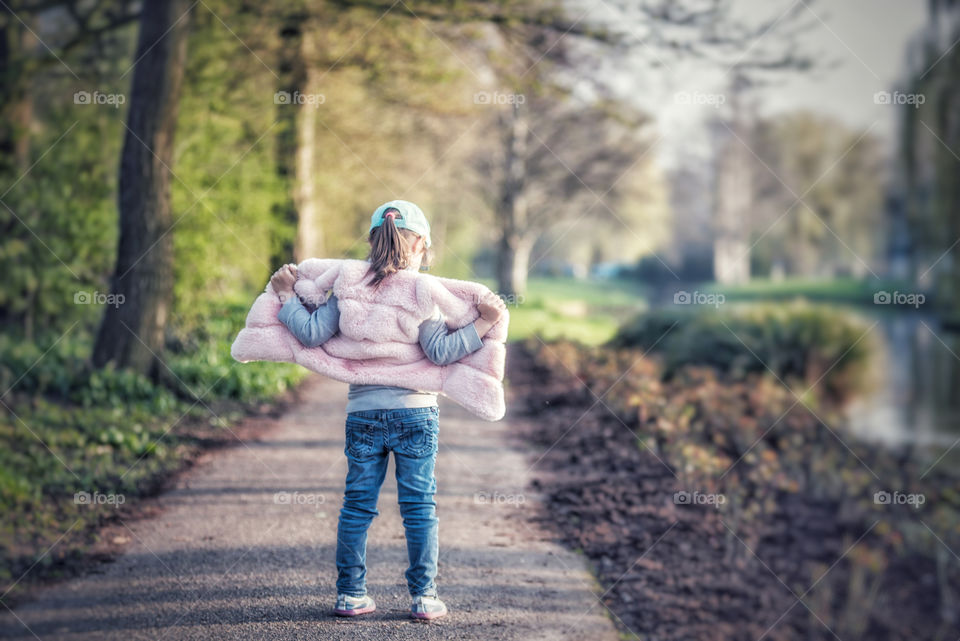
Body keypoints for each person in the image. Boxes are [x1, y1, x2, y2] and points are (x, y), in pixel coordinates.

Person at [268, 200, 506, 621]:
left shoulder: (348, 284)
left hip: (363, 414)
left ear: (371, 241)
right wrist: (484, 323)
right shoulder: (422, 291)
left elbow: (309, 333)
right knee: (418, 506)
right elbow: (440, 351)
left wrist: (287, 296)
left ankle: (350, 594)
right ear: (422, 248)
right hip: (416, 412)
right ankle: (424, 597)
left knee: (357, 504)